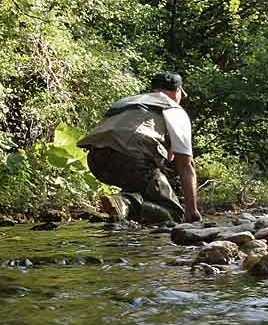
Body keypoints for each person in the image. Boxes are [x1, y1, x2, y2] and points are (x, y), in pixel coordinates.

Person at [78, 71, 202, 223]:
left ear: (153, 90)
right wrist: (192, 210)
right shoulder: (173, 109)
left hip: (96, 160)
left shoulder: (125, 102)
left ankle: (123, 215)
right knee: (175, 214)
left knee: (142, 191)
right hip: (132, 161)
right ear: (177, 92)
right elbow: (185, 164)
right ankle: (126, 202)